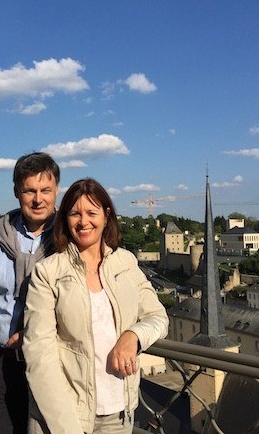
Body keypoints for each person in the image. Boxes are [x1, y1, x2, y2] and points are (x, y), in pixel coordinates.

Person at [23, 178, 169, 434]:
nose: (83, 222)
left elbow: (159, 317)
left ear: (106, 215)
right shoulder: (48, 273)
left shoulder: (125, 263)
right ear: (65, 219)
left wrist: (133, 335)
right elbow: (39, 356)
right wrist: (67, 428)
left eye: (92, 212)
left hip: (118, 415)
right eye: (75, 213)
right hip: (66, 418)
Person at [0, 152, 60, 433]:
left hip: (48, 366)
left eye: (45, 190)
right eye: (30, 191)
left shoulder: (67, 237)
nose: (38, 199)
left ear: (56, 191)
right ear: (17, 192)